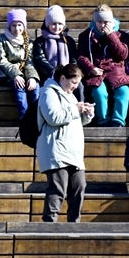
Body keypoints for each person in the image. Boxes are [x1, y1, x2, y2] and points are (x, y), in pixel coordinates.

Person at [37, 63, 95, 222]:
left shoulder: (70, 95)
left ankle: (74, 225)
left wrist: (87, 114)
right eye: (73, 82)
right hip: (56, 149)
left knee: (79, 186)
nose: (76, 86)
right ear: (62, 78)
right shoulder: (49, 92)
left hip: (73, 151)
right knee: (58, 189)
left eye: (78, 83)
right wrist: (76, 109)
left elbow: (74, 120)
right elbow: (53, 117)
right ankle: (49, 225)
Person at [78, 5, 129, 127]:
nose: (102, 25)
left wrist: (111, 36)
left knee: (123, 91)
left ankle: (118, 121)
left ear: (111, 21)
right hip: (96, 70)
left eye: (106, 22)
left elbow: (123, 55)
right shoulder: (86, 36)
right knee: (99, 92)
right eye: (99, 22)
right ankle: (103, 121)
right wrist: (90, 68)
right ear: (94, 21)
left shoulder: (121, 35)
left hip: (115, 70)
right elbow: (81, 56)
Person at [0, 9, 39, 119]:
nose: (17, 28)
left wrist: (32, 77)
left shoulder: (28, 42)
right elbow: (2, 61)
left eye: (20, 25)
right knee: (20, 89)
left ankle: (35, 119)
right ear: (9, 26)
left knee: (35, 88)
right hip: (7, 74)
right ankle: (24, 120)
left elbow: (29, 62)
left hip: (24, 73)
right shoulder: (1, 39)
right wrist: (16, 75)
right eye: (14, 25)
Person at [32, 5, 82, 100]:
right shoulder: (40, 41)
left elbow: (73, 58)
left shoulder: (69, 40)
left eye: (60, 24)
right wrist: (54, 72)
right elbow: (40, 59)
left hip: (68, 75)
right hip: (47, 75)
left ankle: (80, 107)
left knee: (79, 87)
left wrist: (70, 73)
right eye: (53, 24)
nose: (57, 27)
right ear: (47, 24)